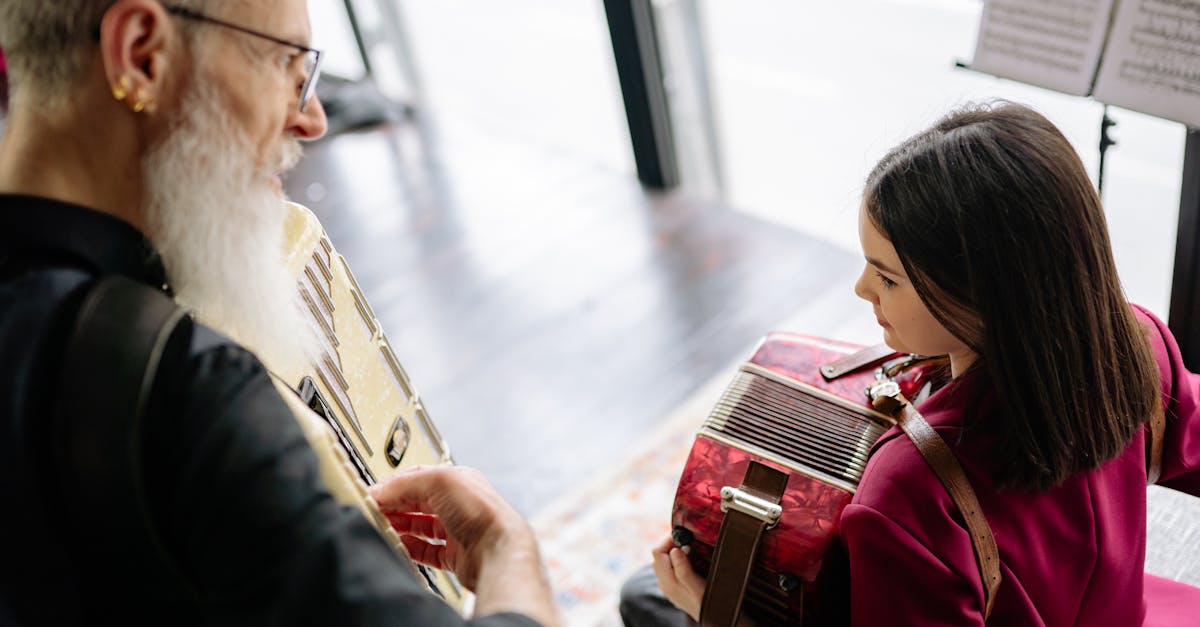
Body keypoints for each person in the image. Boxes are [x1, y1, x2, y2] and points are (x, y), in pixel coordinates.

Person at [0, 0, 557, 624]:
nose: (313, 118)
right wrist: (507, 550)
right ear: (142, 56)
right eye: (288, 63)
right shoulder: (183, 394)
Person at [622, 102, 1200, 625]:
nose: (861, 289)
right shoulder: (1134, 340)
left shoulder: (908, 494)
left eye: (889, 277)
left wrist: (717, 615)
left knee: (648, 596)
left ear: (981, 293)